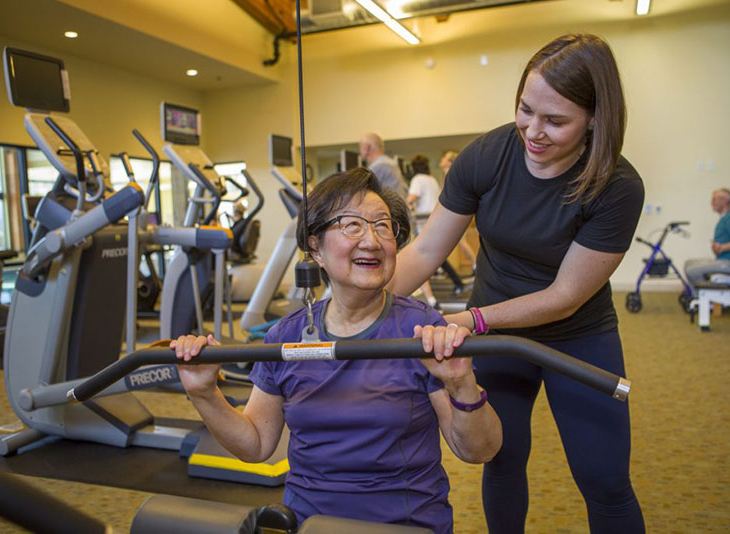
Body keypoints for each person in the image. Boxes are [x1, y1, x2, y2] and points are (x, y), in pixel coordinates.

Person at [390, 33, 646, 533]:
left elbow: (564, 297)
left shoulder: (618, 186)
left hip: (577, 334)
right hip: (497, 330)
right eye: (525, 109)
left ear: (596, 118)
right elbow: (423, 251)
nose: (533, 130)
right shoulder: (486, 156)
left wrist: (472, 319)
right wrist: (353, 305)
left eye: (555, 120)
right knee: (502, 458)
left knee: (605, 479)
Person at [171, 168, 502, 534]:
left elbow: (479, 451)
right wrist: (205, 394)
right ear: (315, 247)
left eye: (382, 226)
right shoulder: (287, 336)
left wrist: (462, 385)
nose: (372, 241)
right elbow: (256, 444)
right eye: (353, 226)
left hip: (404, 526)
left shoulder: (421, 330)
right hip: (311, 525)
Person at [406, 154, 464, 307]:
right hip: (436, 222)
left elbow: (411, 199)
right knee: (437, 258)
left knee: (420, 259)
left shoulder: (417, 179)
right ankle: (458, 283)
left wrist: (399, 207)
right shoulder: (431, 179)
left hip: (424, 223)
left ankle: (431, 300)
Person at [684, 188, 730, 290]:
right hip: (728, 261)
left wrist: (723, 247)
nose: (711, 202)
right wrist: (717, 248)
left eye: (714, 199)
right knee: (689, 263)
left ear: (724, 201)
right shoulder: (724, 218)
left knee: (692, 271)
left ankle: (703, 300)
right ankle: (704, 298)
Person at [439, 150, 477, 275]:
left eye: (444, 158)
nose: (442, 160)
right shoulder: (448, 174)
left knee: (461, 242)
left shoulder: (450, 174)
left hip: (456, 213)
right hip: (454, 212)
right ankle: (474, 265)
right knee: (459, 242)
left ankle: (475, 265)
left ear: (449, 162)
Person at [359, 132, 408, 197]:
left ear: (367, 148)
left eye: (361, 147)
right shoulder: (391, 163)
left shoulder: (379, 166)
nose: (360, 151)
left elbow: (362, 192)